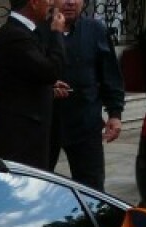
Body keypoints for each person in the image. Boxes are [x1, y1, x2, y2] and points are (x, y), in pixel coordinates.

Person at [0, 0, 70, 170]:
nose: (51, 3)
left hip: (30, 139)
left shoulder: (27, 32)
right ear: (34, 3)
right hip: (18, 142)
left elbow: (25, 77)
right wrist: (57, 33)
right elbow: (51, 71)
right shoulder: (16, 35)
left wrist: (48, 89)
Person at [48, 0, 126, 191]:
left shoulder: (95, 30)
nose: (70, 2)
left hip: (85, 123)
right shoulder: (39, 31)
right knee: (37, 183)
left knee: (91, 188)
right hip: (46, 123)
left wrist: (115, 114)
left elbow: (110, 74)